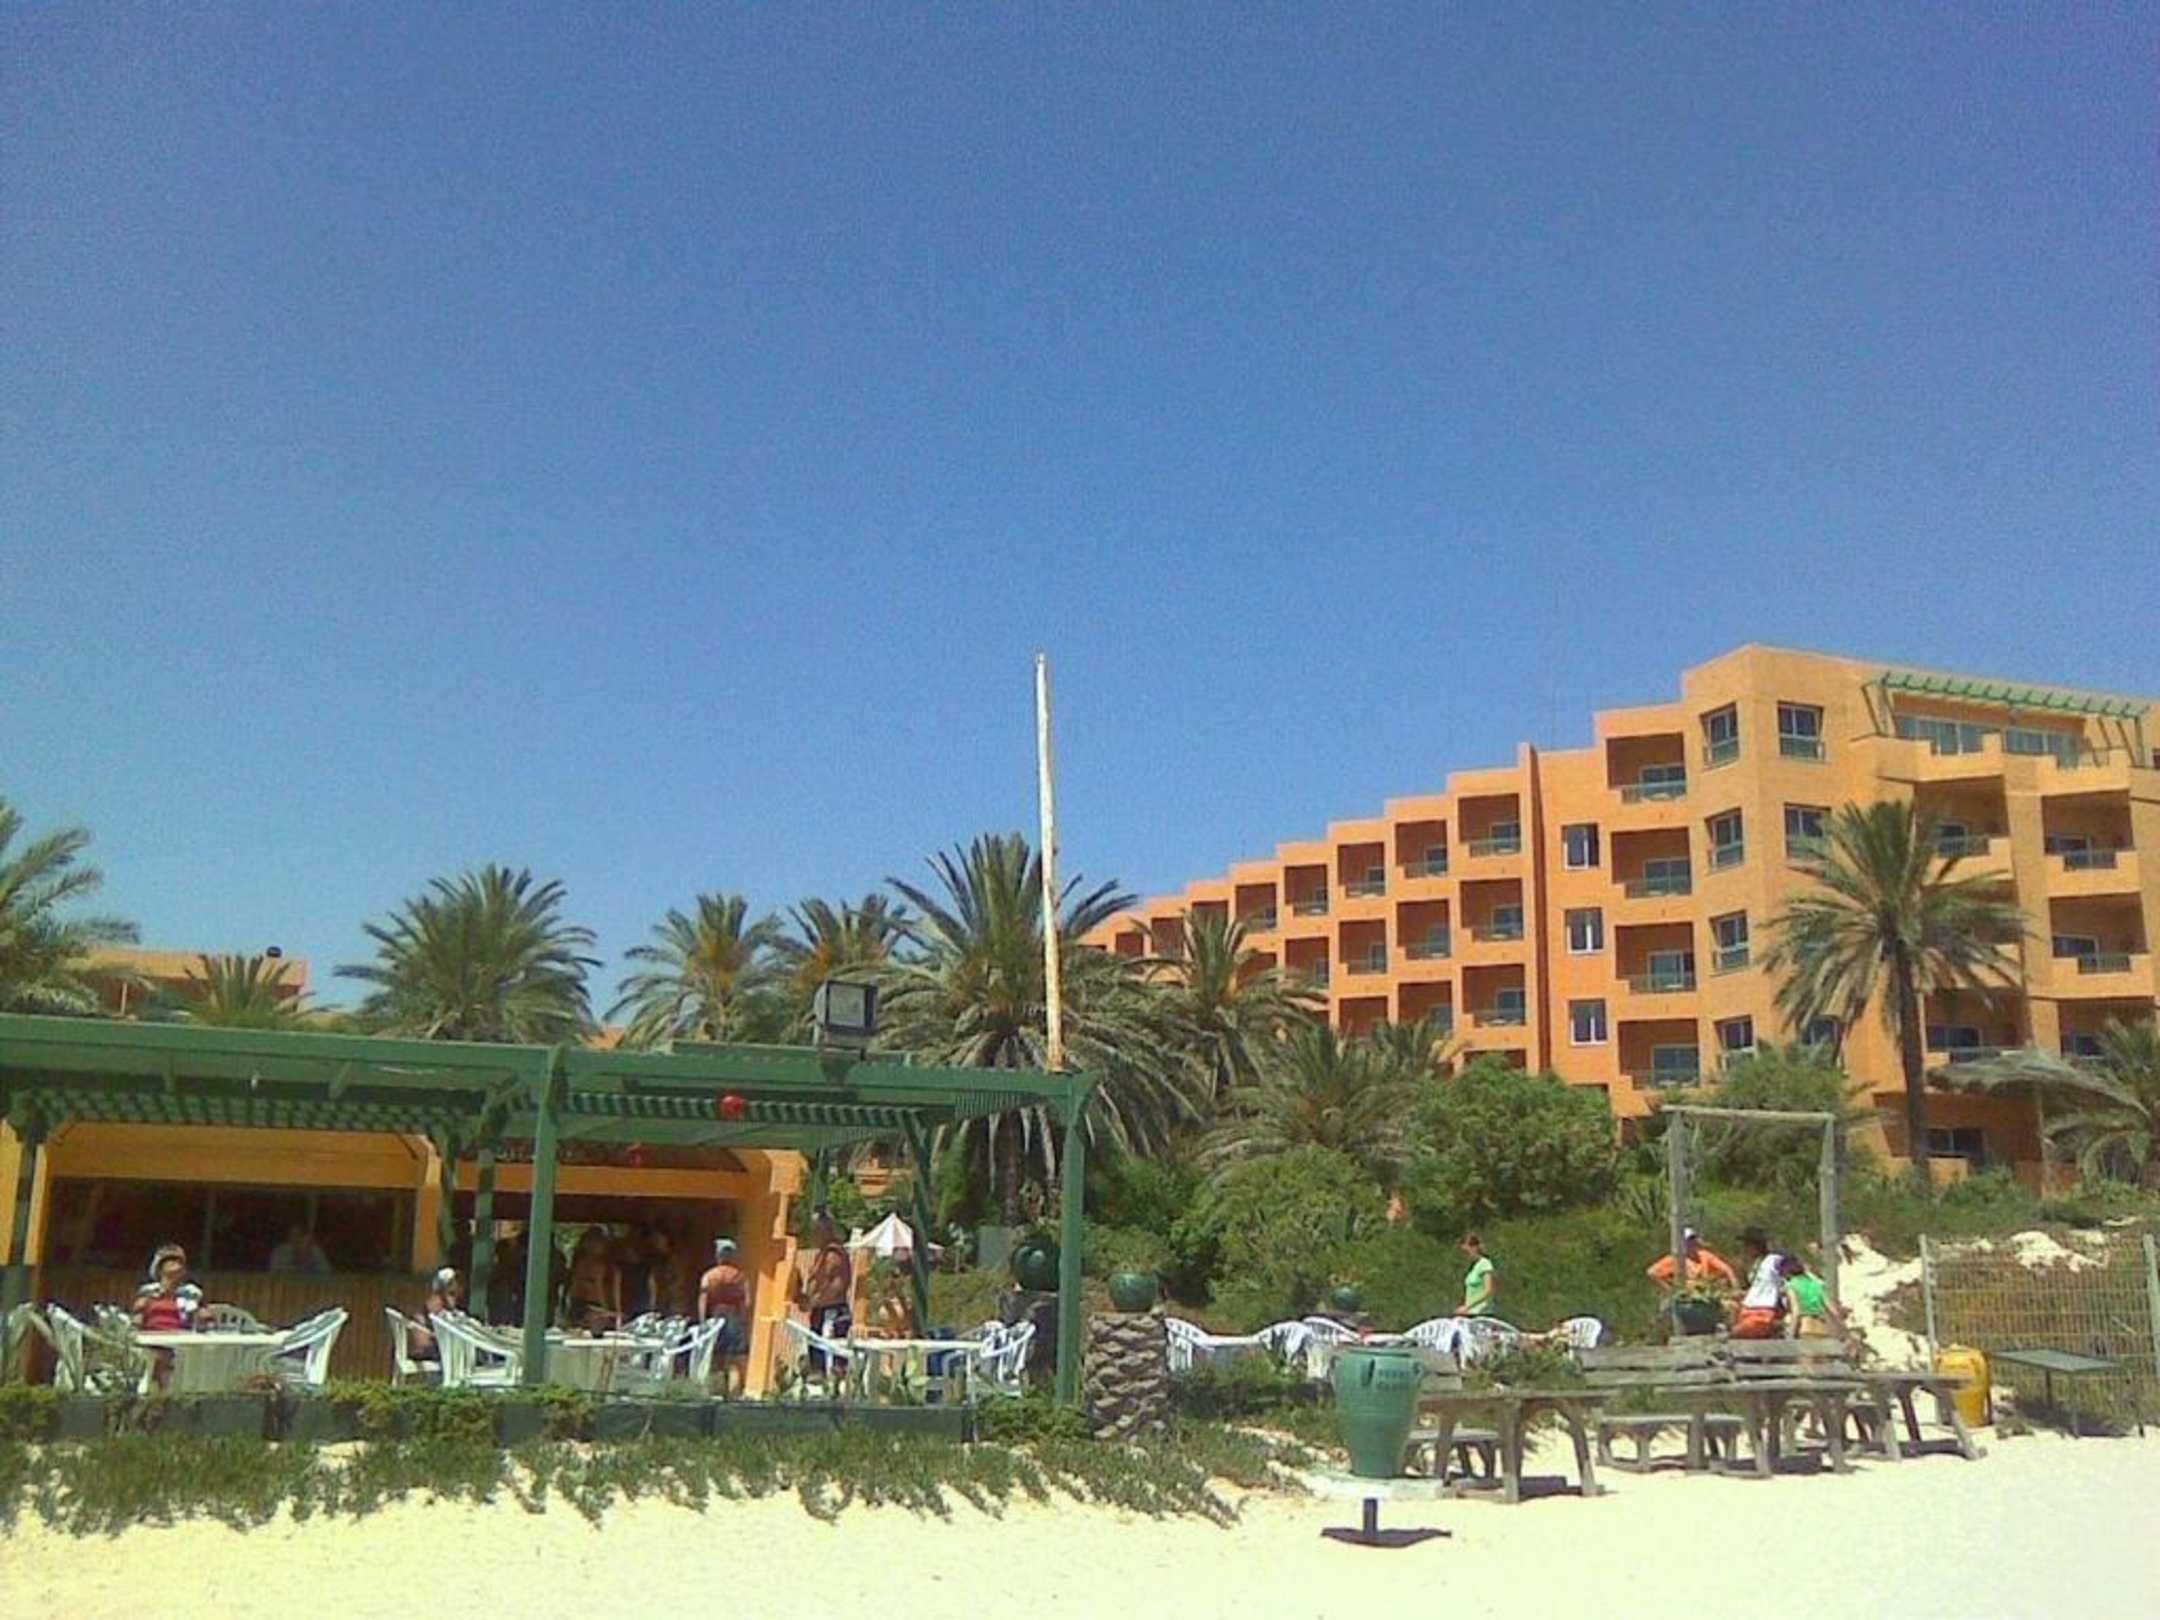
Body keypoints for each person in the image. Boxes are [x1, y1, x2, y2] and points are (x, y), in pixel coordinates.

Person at [794, 1211, 854, 1379]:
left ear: (826, 1230)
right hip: (819, 1311)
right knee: (816, 1357)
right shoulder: (820, 1255)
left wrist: (814, 1301)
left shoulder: (835, 1255)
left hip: (832, 1312)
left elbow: (838, 1286)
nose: (813, 1235)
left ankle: (835, 1383)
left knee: (833, 1359)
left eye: (816, 1230)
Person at [698, 1237, 751, 1394]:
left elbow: (703, 1299)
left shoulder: (710, 1276)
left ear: (718, 1255)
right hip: (734, 1317)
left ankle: (716, 1391)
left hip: (715, 1318)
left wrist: (703, 1322)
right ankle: (733, 1393)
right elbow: (747, 1302)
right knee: (733, 1361)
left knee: (715, 1358)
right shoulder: (740, 1277)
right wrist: (743, 1321)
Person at [1732, 1226, 1786, 1339]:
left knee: (1740, 1332)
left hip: (1764, 1309)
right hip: (1749, 1308)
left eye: (1746, 1245)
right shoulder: (1754, 1266)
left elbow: (1791, 1270)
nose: (1744, 1249)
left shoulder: (1773, 1260)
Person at [1645, 1227, 1739, 1290]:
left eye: (1692, 1239)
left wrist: (1735, 1287)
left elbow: (1727, 1269)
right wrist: (1670, 1289)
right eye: (1688, 1240)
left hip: (1706, 1294)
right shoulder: (1675, 1259)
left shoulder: (1705, 1255)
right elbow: (1652, 1272)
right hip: (1685, 1298)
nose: (1691, 1243)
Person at [1781, 1254, 1846, 1342]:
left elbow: (1796, 1311)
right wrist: (1843, 1331)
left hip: (1806, 1327)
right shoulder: (1816, 1284)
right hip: (1822, 1329)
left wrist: (1790, 1335)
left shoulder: (1791, 1285)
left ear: (1786, 1271)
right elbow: (1833, 1310)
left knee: (1806, 1351)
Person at [566, 1227, 621, 1331]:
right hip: (589, 1304)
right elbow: (597, 1287)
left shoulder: (607, 1266)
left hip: (586, 1303)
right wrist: (605, 1308)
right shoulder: (587, 1264)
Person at [408, 1266, 462, 1362]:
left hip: (423, 1345)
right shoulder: (437, 1302)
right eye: (452, 1293)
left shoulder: (432, 1301)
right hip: (425, 1349)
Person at [1454, 1233, 1496, 1318]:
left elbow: (1488, 1290)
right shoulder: (1472, 1267)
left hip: (1482, 1313)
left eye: (1467, 1252)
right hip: (1471, 1313)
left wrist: (1467, 1306)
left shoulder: (1484, 1264)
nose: (1465, 1256)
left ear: (1475, 1248)